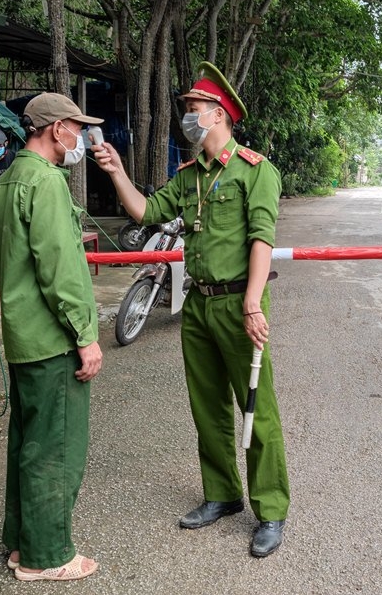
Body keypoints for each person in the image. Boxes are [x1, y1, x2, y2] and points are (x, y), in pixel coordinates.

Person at [93, 62, 290, 558]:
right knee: (208, 407)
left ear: (219, 114)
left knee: (255, 408)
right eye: (186, 109)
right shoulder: (188, 175)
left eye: (193, 108)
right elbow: (148, 212)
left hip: (240, 303)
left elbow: (262, 237)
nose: (187, 115)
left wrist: (252, 302)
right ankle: (222, 494)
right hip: (198, 306)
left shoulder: (255, 169)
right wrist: (117, 173)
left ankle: (270, 509)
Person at [0, 92, 103, 582]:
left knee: (29, 442)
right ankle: (48, 554)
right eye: (77, 127)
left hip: (23, 335)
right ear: (56, 129)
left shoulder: (7, 179)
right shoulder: (46, 182)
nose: (80, 137)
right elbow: (60, 270)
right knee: (55, 448)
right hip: (53, 338)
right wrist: (85, 335)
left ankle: (21, 542)